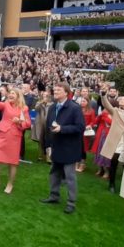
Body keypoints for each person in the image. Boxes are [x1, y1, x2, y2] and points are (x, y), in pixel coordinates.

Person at [40, 83, 85, 214]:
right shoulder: (53, 107)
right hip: (56, 146)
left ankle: (71, 202)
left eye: (59, 90)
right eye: (55, 90)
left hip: (70, 148)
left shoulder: (74, 108)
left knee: (70, 176)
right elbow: (48, 127)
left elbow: (80, 127)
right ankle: (54, 196)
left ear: (67, 92)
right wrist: (48, 145)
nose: (56, 91)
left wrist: (63, 129)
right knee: (54, 172)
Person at [0, 86, 31, 194]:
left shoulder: (24, 108)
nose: (10, 95)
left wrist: (19, 122)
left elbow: (28, 123)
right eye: (10, 93)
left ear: (18, 96)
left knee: (12, 163)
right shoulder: (6, 104)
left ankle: (10, 184)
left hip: (15, 137)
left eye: (13, 94)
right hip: (3, 135)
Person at [99, 90, 124, 193]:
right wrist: (103, 95)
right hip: (116, 142)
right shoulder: (115, 111)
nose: (121, 99)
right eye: (120, 98)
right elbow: (107, 105)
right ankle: (111, 184)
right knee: (114, 164)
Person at [78, 96, 97, 172]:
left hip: (85, 132)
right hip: (77, 131)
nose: (82, 102)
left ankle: (82, 164)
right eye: (81, 101)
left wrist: (89, 125)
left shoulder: (91, 111)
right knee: (77, 147)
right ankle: (77, 162)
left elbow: (93, 121)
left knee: (83, 149)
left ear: (87, 102)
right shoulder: (77, 110)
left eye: (84, 101)